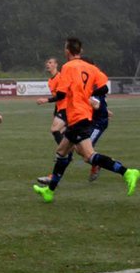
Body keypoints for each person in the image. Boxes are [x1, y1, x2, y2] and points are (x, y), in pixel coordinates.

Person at [33, 38, 139, 203]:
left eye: (64, 48)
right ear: (80, 51)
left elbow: (61, 94)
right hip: (84, 115)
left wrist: (49, 99)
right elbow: (104, 87)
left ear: (68, 50)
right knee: (62, 152)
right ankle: (49, 191)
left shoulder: (67, 67)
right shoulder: (91, 68)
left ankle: (127, 172)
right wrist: (88, 93)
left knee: (88, 155)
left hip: (76, 115)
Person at [36, 56, 111, 184]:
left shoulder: (72, 77)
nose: (47, 64)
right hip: (73, 113)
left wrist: (102, 109)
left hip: (83, 117)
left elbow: (93, 99)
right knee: (75, 147)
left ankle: (119, 169)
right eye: (46, 62)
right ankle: (55, 177)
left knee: (83, 152)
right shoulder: (52, 80)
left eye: (50, 62)